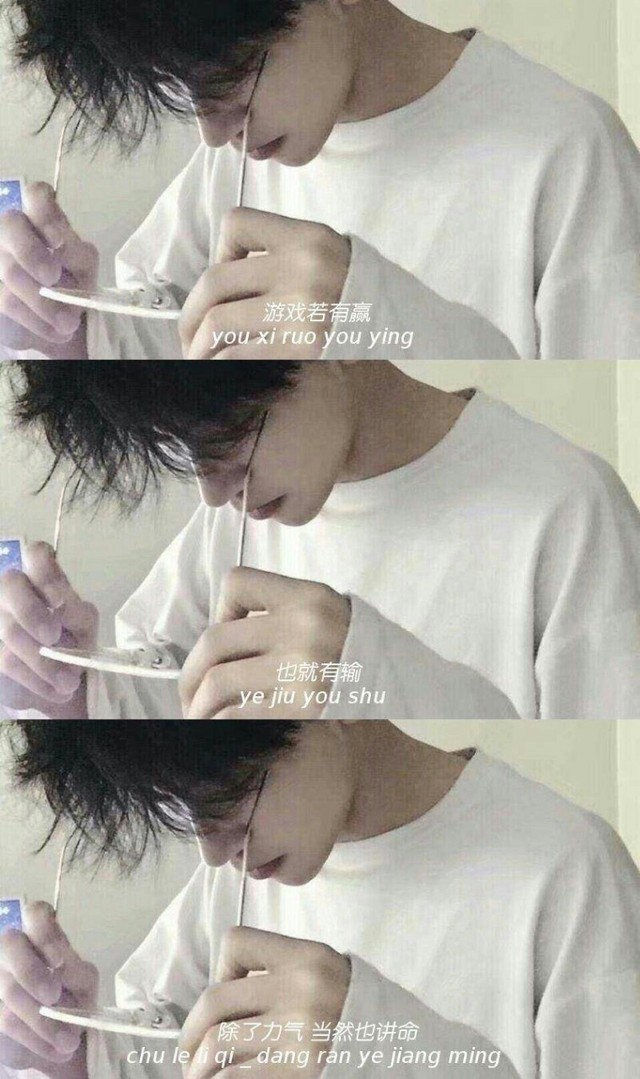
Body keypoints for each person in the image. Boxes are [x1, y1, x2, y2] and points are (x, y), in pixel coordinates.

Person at [0, 360, 639, 721]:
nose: (214, 494)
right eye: (184, 448)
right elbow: (164, 696)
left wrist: (369, 677)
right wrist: (75, 687)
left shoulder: (568, 510)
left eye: (227, 434)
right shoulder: (232, 527)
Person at [1, 720, 639, 1079]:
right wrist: (80, 1050)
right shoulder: (236, 883)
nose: (214, 853)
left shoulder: (569, 871)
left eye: (229, 796)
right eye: (186, 809)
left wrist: (381, 1052)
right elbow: (164, 1057)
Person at [1, 2, 640, 360]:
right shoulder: (235, 160)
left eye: (231, 76)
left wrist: (373, 319)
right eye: (186, 92)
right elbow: (175, 331)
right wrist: (72, 322)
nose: (214, 134)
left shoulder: (568, 151)